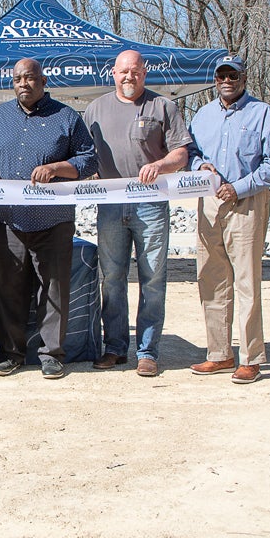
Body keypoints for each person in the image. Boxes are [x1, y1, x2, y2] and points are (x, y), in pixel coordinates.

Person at [0, 58, 98, 380]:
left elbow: (87, 160)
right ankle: (10, 354)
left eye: (29, 78)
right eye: (17, 79)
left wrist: (57, 169)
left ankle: (52, 354)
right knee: (8, 289)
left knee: (53, 290)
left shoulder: (67, 117)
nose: (23, 84)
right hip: (6, 220)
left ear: (43, 81)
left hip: (52, 220)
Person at [82, 49, 191, 377]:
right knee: (112, 279)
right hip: (111, 204)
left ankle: (148, 351)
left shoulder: (163, 107)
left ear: (145, 73)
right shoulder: (95, 110)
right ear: (112, 73)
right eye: (123, 71)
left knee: (153, 278)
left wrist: (160, 165)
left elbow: (182, 153)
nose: (129, 77)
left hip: (151, 204)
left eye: (136, 71)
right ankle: (115, 347)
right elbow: (83, 153)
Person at [186, 54, 270, 384]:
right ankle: (219, 353)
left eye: (233, 75)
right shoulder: (202, 116)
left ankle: (251, 357)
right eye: (221, 76)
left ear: (244, 79)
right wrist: (199, 166)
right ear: (214, 80)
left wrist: (239, 187)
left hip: (247, 204)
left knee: (247, 282)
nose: (227, 81)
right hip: (210, 204)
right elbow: (189, 152)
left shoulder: (261, 114)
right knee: (212, 279)